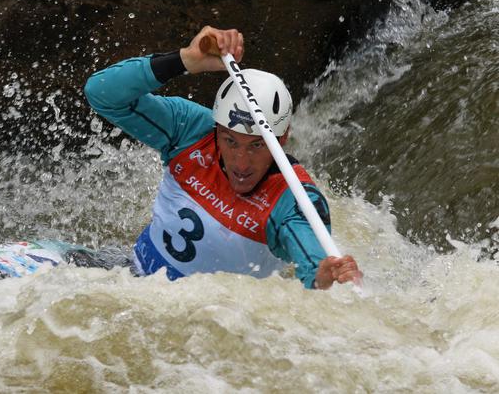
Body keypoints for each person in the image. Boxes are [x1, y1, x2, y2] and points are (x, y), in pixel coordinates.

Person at [84, 26, 362, 289]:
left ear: (283, 138)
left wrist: (323, 275)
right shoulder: (191, 129)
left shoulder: (293, 199)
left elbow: (314, 263)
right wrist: (184, 60)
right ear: (217, 127)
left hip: (203, 317)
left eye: (257, 146)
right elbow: (102, 94)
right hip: (128, 272)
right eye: (230, 141)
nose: (241, 164)